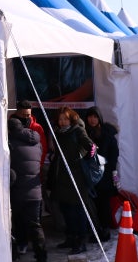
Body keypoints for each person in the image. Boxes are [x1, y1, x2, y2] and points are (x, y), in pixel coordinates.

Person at [46, 106, 96, 255]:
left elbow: (91, 147)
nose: (62, 122)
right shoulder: (58, 133)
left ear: (71, 119)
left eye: (65, 119)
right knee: (66, 210)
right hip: (62, 177)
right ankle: (71, 237)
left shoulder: (77, 130)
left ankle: (81, 240)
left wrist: (81, 160)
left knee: (78, 210)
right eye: (60, 119)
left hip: (76, 177)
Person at [8, 118, 48, 262]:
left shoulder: (10, 143)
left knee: (15, 223)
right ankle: (42, 256)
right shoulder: (36, 141)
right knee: (35, 225)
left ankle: (16, 253)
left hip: (17, 190)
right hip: (35, 191)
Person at [83, 106, 118, 241]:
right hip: (89, 176)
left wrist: (107, 171)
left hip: (104, 175)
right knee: (93, 205)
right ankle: (95, 231)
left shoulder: (107, 135)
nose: (92, 119)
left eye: (95, 117)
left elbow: (113, 156)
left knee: (104, 204)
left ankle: (105, 230)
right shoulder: (85, 133)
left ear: (99, 118)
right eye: (90, 116)